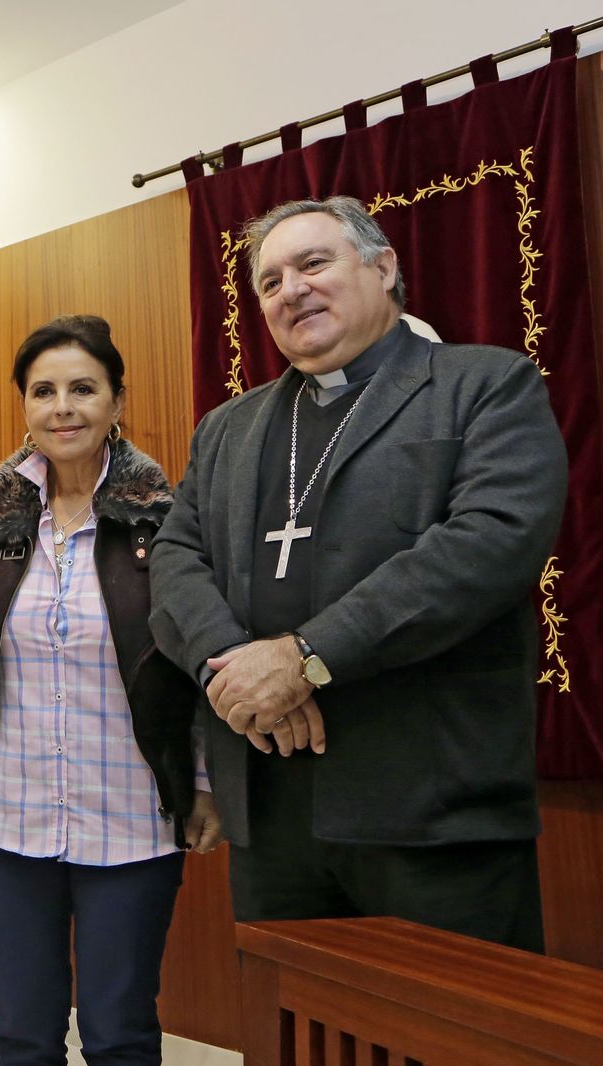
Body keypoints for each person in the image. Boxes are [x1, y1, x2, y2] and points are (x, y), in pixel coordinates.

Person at [149, 196, 567, 952]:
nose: (291, 290)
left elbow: (487, 544)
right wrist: (238, 674)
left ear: (383, 267)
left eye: (313, 264)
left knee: (448, 1039)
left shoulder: (483, 385)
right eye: (270, 281)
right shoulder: (228, 429)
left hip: (428, 812)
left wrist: (306, 657)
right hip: (272, 815)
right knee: (298, 1039)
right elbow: (177, 560)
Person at [0, 315, 221, 1066]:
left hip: (128, 817)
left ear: (115, 400)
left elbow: (193, 665)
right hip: (16, 819)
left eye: (82, 389)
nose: (62, 407)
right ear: (26, 407)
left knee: (118, 1032)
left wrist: (200, 783)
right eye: (44, 391)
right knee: (25, 1035)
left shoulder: (163, 521)